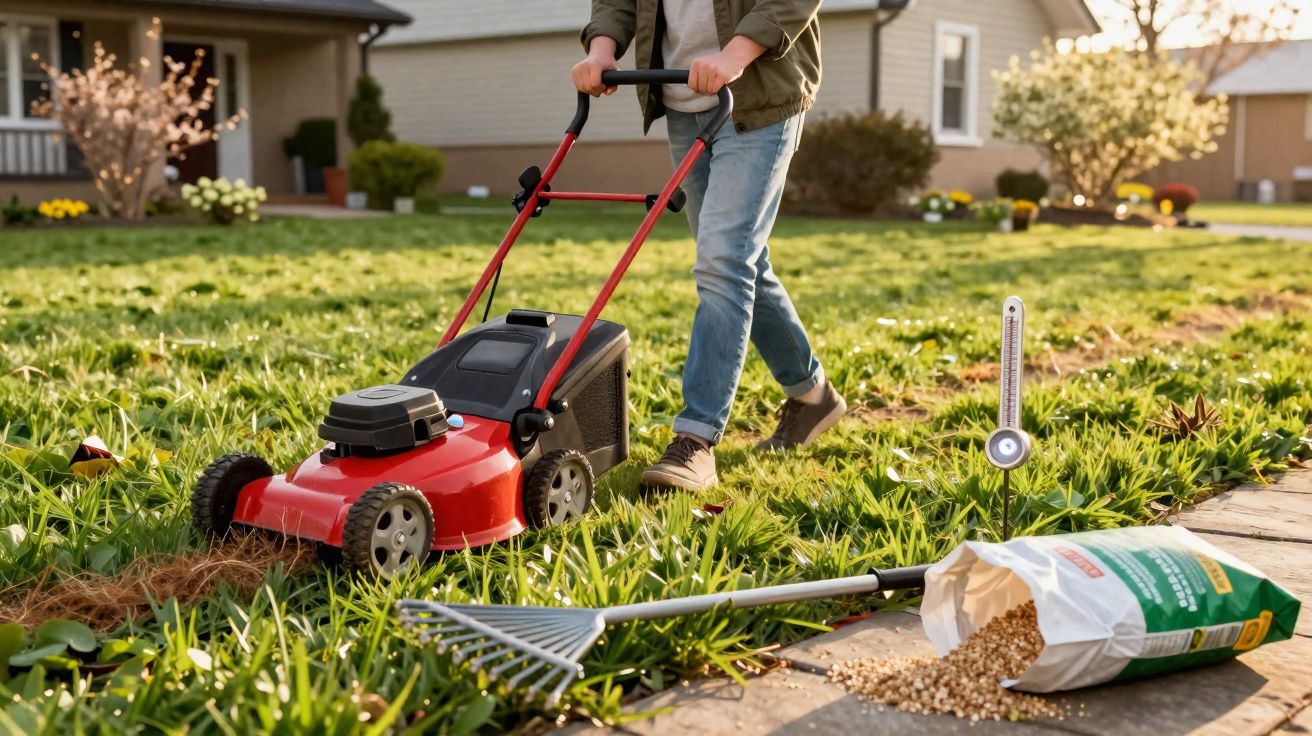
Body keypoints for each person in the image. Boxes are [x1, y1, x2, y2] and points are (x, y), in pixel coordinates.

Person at [573, 0, 844, 492]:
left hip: (758, 99)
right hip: (683, 101)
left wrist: (735, 54)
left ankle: (696, 439)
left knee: (724, 260)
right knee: (738, 262)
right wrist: (602, 49)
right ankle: (812, 394)